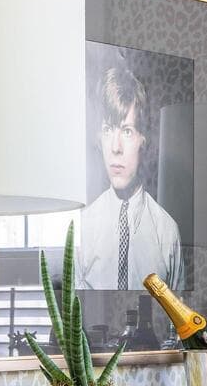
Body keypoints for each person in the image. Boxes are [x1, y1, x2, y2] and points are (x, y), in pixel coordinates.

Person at [76, 66, 184, 291]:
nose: (115, 147)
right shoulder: (83, 228)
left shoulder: (167, 230)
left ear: (143, 139)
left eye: (127, 131)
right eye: (108, 130)